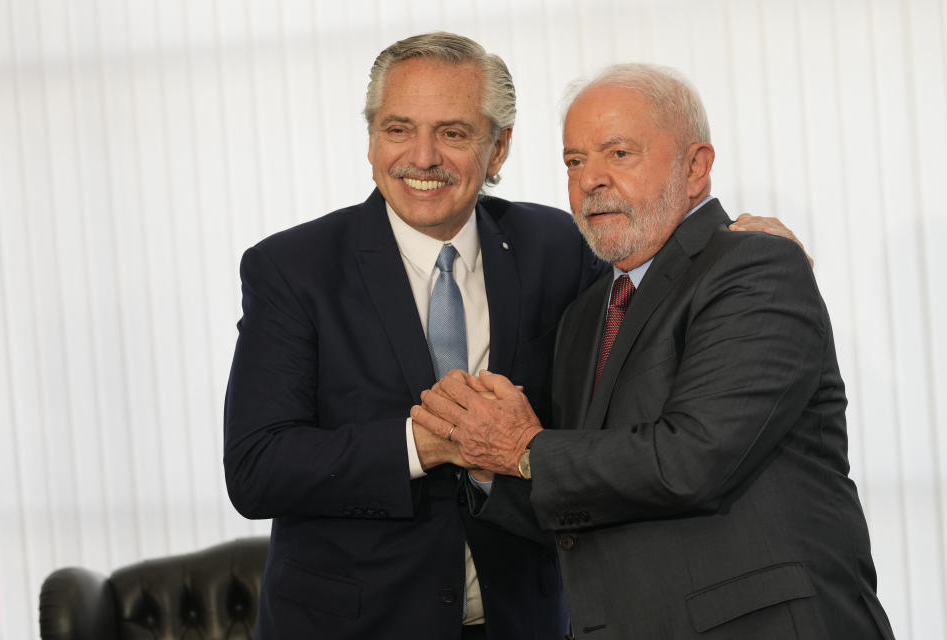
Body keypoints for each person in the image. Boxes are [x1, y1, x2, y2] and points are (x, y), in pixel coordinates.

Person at [224, 33, 802, 640]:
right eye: (398, 129)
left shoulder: (558, 246)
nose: (422, 157)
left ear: (498, 148)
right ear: (371, 139)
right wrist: (421, 446)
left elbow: (656, 279)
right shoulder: (293, 267)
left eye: (452, 133)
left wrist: (734, 244)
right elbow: (256, 467)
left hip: (526, 620)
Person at [414, 63, 894, 639]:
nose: (590, 179)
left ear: (696, 168)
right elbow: (577, 496)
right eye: (574, 161)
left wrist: (520, 448)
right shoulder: (586, 314)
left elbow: (691, 460)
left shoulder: (755, 265)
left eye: (618, 154)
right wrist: (480, 455)